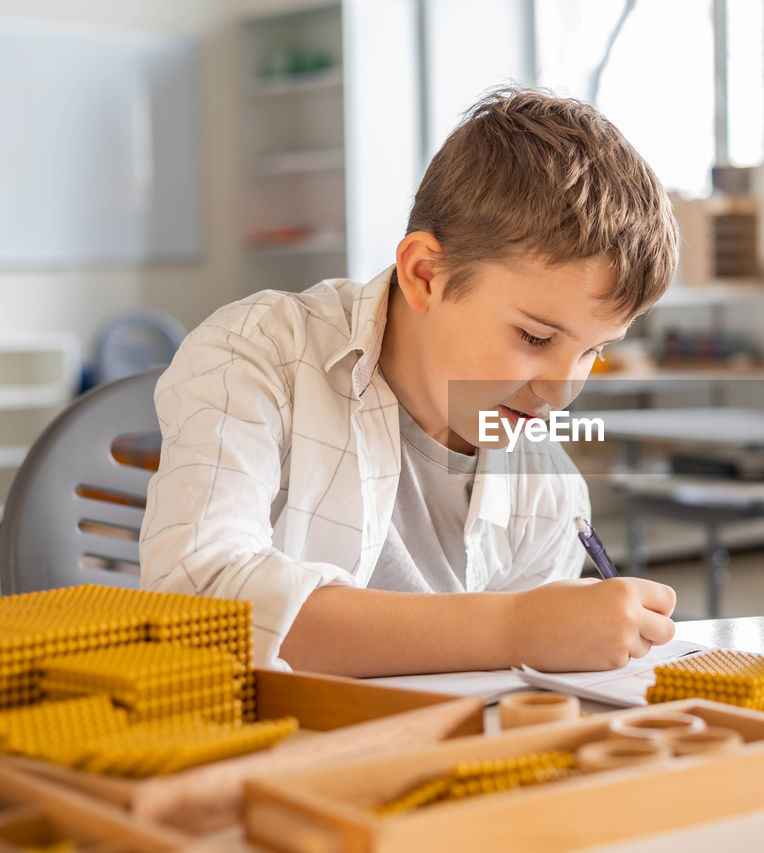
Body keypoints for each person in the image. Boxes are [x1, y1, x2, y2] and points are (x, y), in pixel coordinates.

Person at [139, 88, 680, 676]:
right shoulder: (260, 351)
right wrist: (515, 627)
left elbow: (512, 702)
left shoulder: (549, 492)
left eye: (593, 352)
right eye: (534, 339)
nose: (561, 392)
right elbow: (196, 603)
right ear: (426, 274)